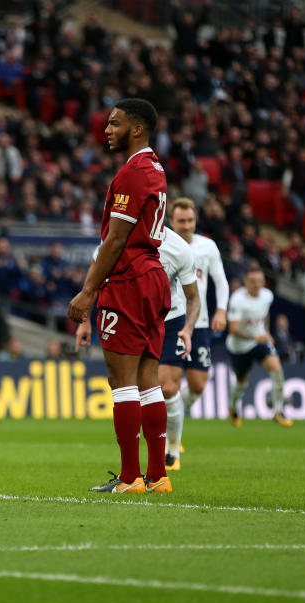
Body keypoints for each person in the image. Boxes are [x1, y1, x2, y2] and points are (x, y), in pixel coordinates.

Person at [67, 98, 172, 494]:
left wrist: (88, 292)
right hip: (153, 277)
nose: (107, 130)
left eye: (115, 123)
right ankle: (158, 475)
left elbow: (115, 240)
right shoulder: (155, 168)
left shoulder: (133, 173)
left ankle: (131, 478)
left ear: (137, 129)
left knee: (122, 381)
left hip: (129, 279)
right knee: (148, 379)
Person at [76, 227, 199, 472]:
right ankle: (156, 472)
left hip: (167, 318)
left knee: (138, 384)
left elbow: (193, 297)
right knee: (144, 385)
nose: (185, 225)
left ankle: (146, 466)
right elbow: (95, 270)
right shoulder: (119, 235)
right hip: (135, 313)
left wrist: (188, 328)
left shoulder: (179, 249)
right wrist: (85, 319)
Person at [169, 198, 230, 454]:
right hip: (173, 321)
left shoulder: (208, 247)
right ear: (171, 222)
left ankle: (171, 419)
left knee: (197, 385)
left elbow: (221, 281)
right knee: (168, 384)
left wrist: (221, 310)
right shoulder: (165, 246)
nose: (186, 225)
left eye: (190, 220)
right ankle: (171, 439)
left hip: (201, 323)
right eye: (181, 221)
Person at [226, 263, 293, 427]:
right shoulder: (237, 299)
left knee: (277, 370)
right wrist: (256, 337)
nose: (256, 284)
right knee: (242, 381)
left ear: (264, 282)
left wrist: (267, 331)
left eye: (259, 281)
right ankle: (233, 408)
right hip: (239, 346)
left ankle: (278, 411)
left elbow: (265, 313)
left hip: (260, 341)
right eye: (252, 281)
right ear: (246, 281)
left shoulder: (267, 296)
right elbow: (233, 329)